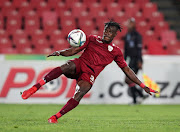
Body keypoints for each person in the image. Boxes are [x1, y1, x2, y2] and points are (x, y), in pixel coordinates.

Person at [21, 21, 157, 123]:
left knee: (81, 93)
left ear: (115, 35)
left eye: (110, 32)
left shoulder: (116, 52)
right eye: (106, 30)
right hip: (80, 64)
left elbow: (126, 69)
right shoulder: (92, 39)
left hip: (89, 75)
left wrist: (143, 86)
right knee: (66, 67)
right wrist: (59, 52)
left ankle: (56, 117)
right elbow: (73, 51)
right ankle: (34, 88)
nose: (107, 33)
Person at [123, 18, 145, 104]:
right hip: (131, 60)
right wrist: (123, 60)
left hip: (136, 60)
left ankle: (135, 100)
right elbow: (126, 49)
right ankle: (141, 95)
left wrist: (139, 61)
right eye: (129, 23)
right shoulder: (127, 35)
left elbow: (139, 50)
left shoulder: (137, 35)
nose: (129, 25)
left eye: (131, 23)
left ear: (134, 25)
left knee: (129, 79)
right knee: (128, 80)